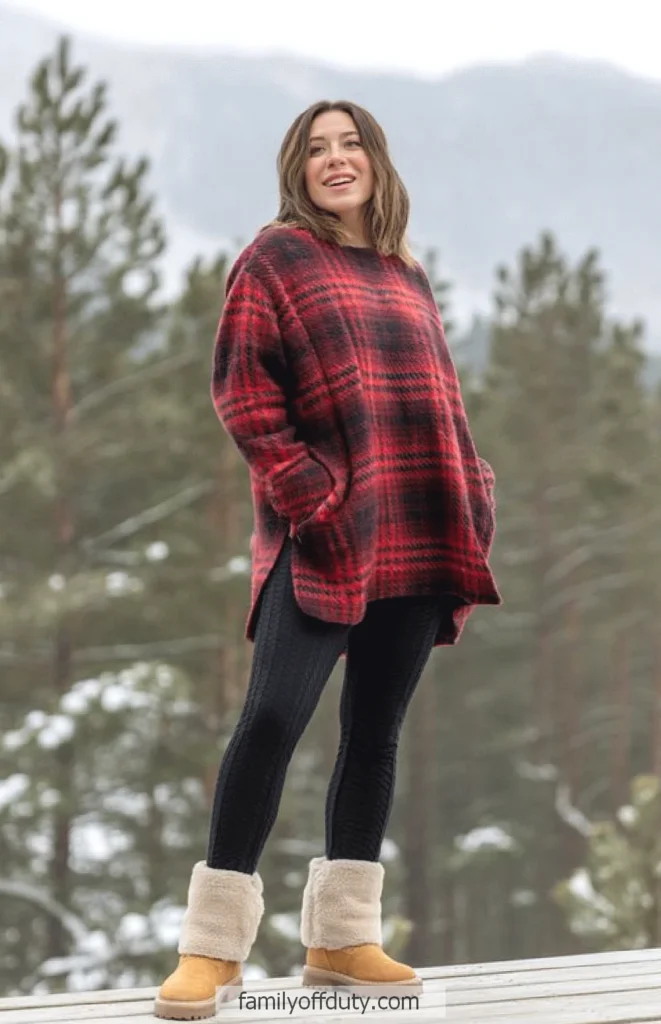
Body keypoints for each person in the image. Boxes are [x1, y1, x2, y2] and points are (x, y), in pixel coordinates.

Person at [154, 99, 501, 1020]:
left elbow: (440, 403)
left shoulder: (403, 272)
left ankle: (343, 939)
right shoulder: (274, 257)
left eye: (351, 144)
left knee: (374, 730)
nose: (336, 158)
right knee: (270, 716)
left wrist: (474, 490)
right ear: (296, 169)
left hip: (418, 527)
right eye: (317, 148)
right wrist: (312, 496)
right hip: (323, 532)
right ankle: (212, 948)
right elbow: (242, 392)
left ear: (377, 163)